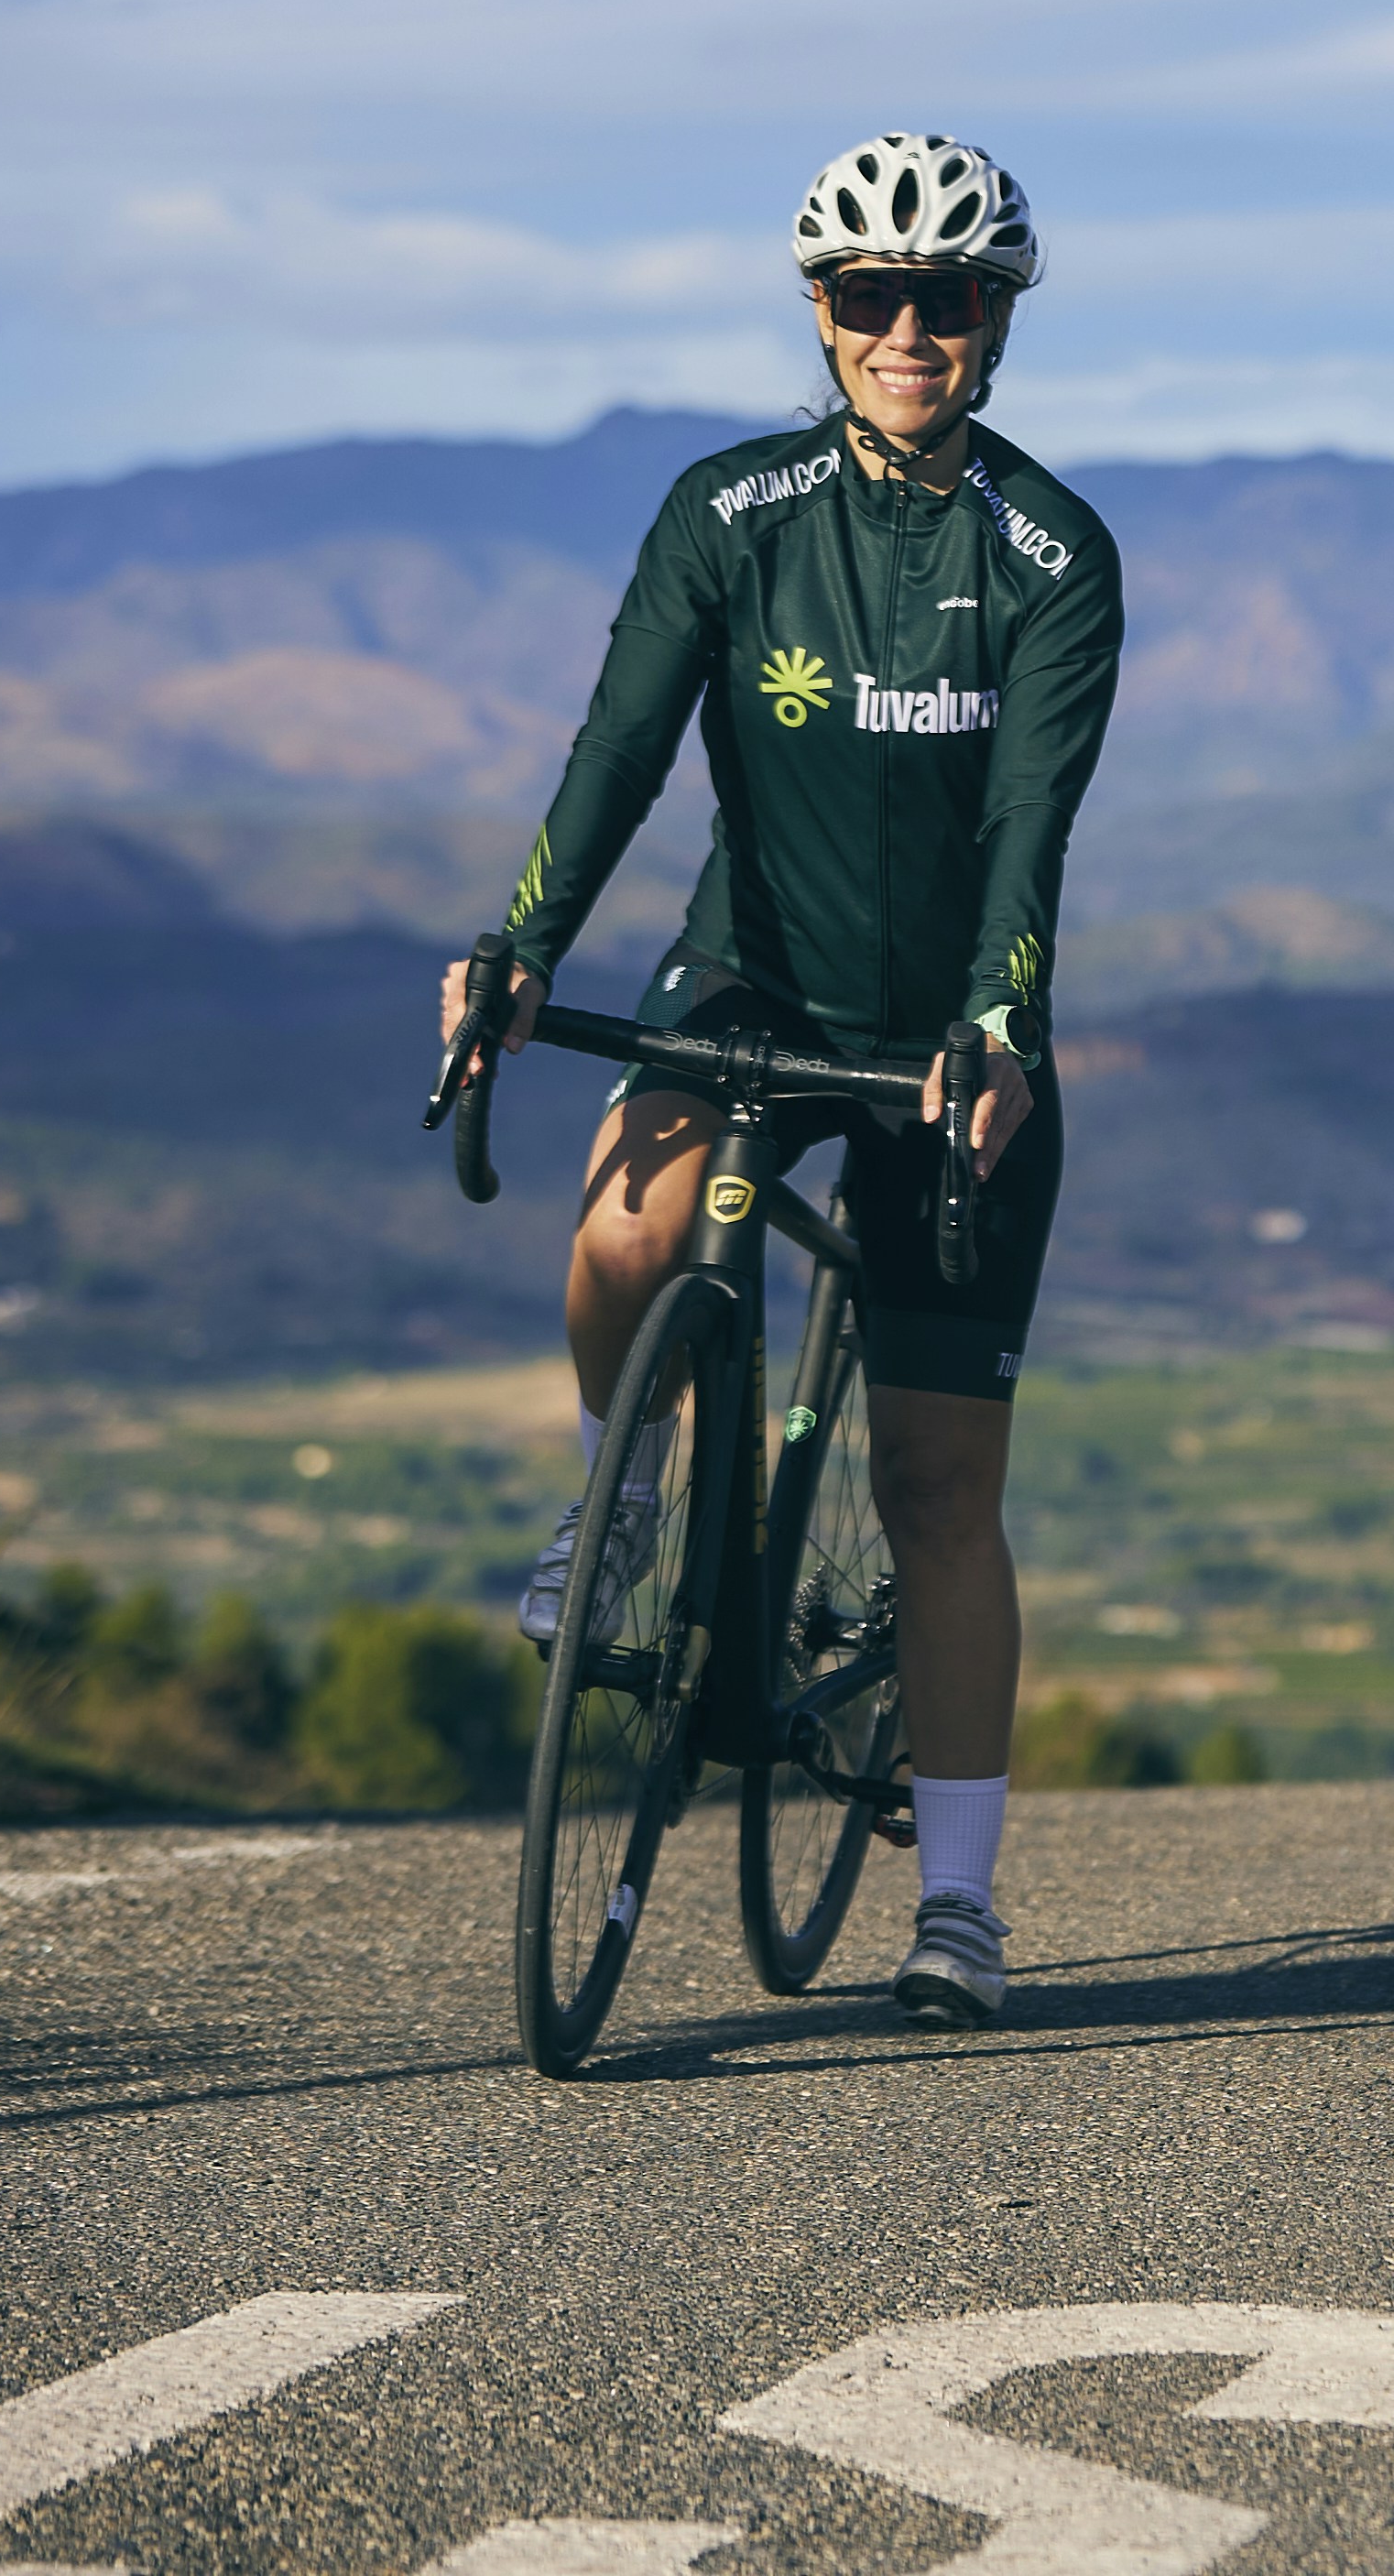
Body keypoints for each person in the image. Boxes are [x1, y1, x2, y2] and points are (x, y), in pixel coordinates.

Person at [439, 130, 1122, 2033]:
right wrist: (521, 946)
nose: (910, 331)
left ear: (997, 320)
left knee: (937, 1477)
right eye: (870, 299)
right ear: (820, 317)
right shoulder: (729, 514)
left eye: (950, 299)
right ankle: (627, 1500)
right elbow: (620, 748)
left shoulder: (1054, 555)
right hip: (749, 971)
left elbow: (1028, 842)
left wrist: (997, 1020)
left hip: (944, 1024)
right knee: (625, 1230)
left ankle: (961, 1905)